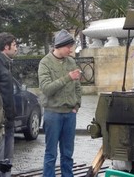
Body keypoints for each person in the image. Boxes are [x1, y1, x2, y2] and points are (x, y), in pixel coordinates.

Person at [38, 30, 82, 177]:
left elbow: (77, 86)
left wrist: (77, 105)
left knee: (68, 154)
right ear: (59, 46)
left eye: (72, 46)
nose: (71, 50)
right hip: (53, 114)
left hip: (70, 114)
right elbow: (46, 89)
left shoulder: (71, 62)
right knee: (51, 153)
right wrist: (67, 78)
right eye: (68, 47)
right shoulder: (45, 63)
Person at [0, 32, 18, 177]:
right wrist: (0, 117)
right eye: (14, 45)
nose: (16, 48)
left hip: (8, 121)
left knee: (7, 162)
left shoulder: (5, 63)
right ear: (6, 47)